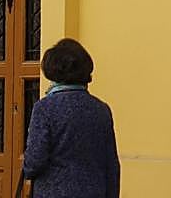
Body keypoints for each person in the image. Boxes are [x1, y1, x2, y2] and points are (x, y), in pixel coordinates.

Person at [22, 38, 120, 198]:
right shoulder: (101, 109)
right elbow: (111, 165)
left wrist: (26, 166)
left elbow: (34, 162)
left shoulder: (44, 108)